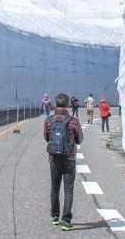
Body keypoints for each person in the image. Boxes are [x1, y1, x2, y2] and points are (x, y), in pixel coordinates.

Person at [44, 92, 83, 230]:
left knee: (55, 188)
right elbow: (80, 139)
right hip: (69, 158)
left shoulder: (48, 120)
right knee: (68, 190)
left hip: (54, 158)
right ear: (67, 104)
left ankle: (54, 216)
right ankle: (66, 221)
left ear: (55, 104)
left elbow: (46, 137)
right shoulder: (73, 121)